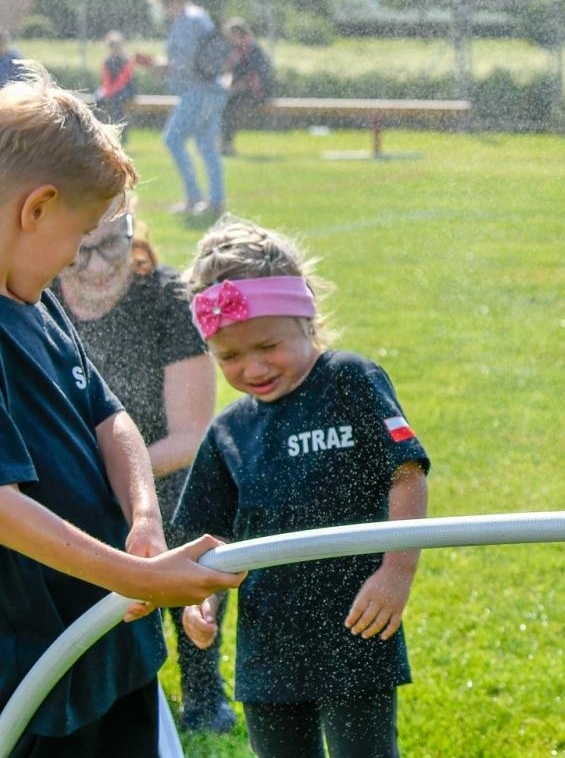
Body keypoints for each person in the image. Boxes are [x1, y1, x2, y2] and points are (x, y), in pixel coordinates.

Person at [0, 60, 241, 755]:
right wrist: (137, 576)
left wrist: (142, 520)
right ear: (35, 208)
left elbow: (112, 418)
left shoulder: (34, 298)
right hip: (38, 681)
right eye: (78, 238)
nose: (79, 259)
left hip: (111, 642)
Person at [173, 216, 430, 758]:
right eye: (230, 357)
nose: (253, 367)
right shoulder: (229, 431)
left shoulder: (350, 381)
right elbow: (206, 537)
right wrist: (204, 605)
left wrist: (396, 571)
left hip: (358, 626)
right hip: (269, 648)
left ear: (306, 318)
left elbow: (405, 471)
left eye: (268, 345)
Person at [55, 203, 237, 733]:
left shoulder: (165, 299)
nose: (95, 266)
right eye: (81, 250)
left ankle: (203, 690)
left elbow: (189, 437)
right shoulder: (39, 298)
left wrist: (116, 482)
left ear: (133, 233)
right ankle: (108, 678)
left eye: (112, 245)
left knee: (191, 525)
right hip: (81, 481)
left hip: (165, 474)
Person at [145, 0, 225, 217]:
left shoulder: (186, 21)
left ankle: (194, 197)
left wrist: (163, 66)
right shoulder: (200, 16)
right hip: (213, 91)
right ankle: (215, 202)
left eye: (163, 5)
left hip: (197, 92)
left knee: (173, 139)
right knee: (207, 146)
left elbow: (185, 62)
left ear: (172, 2)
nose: (164, 11)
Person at [219, 19, 274, 156]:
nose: (229, 39)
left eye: (231, 36)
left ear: (239, 34)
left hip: (257, 92)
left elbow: (253, 77)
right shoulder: (235, 50)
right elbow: (229, 71)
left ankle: (227, 144)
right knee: (224, 104)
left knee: (233, 107)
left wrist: (233, 89)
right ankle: (224, 143)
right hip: (241, 91)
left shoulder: (252, 49)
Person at [93, 31, 138, 132]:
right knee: (97, 99)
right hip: (109, 89)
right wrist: (108, 91)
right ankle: (99, 127)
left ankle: (120, 128)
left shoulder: (127, 60)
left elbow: (123, 80)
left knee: (117, 101)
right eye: (112, 46)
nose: (115, 48)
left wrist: (112, 92)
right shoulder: (107, 61)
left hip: (125, 89)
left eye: (117, 46)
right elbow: (105, 79)